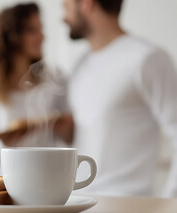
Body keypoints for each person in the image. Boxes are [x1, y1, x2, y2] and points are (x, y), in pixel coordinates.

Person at [63, 0, 177, 196]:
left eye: (66, 6)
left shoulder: (147, 58)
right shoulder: (80, 65)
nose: (63, 17)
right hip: (79, 203)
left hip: (131, 208)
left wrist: (171, 202)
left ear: (87, 4)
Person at [0, 3, 73, 174]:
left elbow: (70, 138)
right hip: (1, 176)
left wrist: (62, 126)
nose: (41, 37)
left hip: (45, 174)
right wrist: (3, 144)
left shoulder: (55, 77)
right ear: (12, 36)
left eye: (41, 29)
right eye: (32, 31)